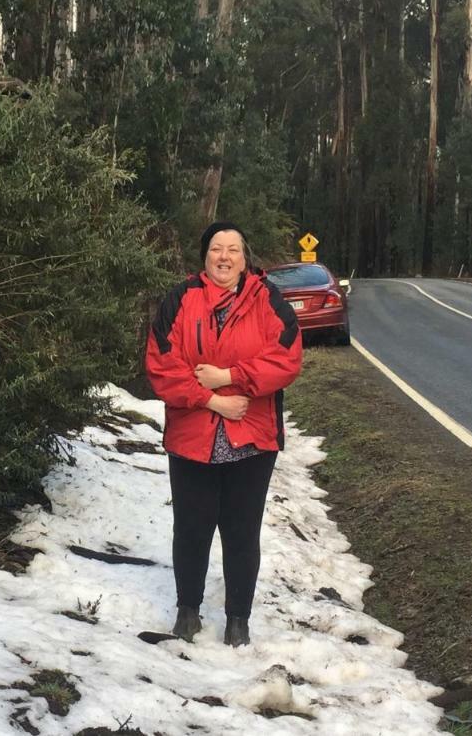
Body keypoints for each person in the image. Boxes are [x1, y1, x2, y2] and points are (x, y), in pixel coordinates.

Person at [145, 222, 303, 646]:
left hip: (251, 439)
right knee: (191, 528)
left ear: (244, 257)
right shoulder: (180, 299)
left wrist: (229, 375)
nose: (225, 256)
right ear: (204, 257)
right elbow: (162, 365)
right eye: (217, 248)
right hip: (192, 436)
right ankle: (187, 613)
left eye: (233, 248)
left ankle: (238, 621)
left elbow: (286, 359)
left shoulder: (267, 300)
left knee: (241, 531)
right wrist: (212, 399)